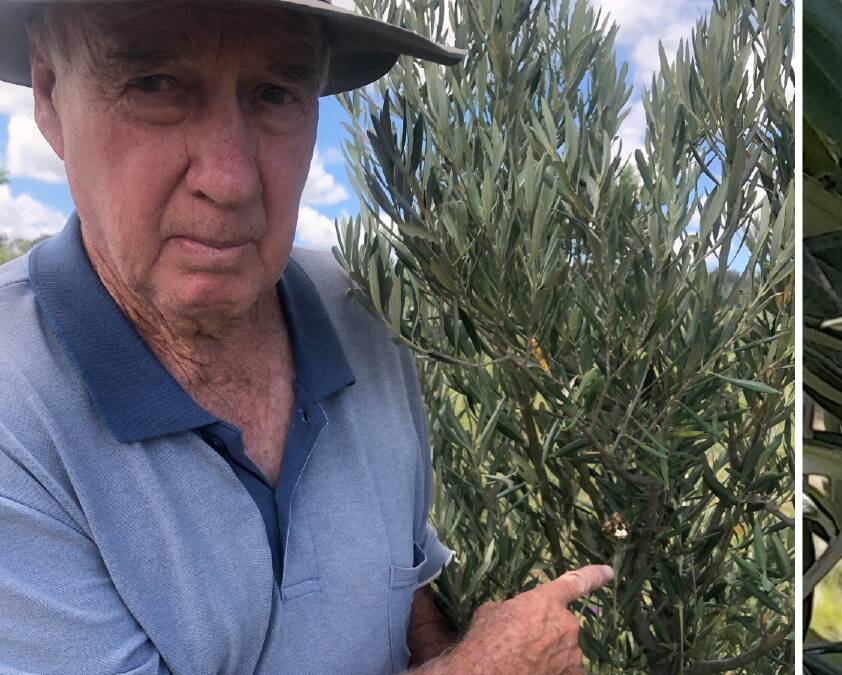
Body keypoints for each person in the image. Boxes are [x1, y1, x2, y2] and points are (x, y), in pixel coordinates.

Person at [0, 1, 612, 673]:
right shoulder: (14, 402)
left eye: (275, 93)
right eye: (155, 83)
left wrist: (442, 651)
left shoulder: (359, 309)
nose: (230, 180)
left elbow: (398, 572)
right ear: (53, 97)